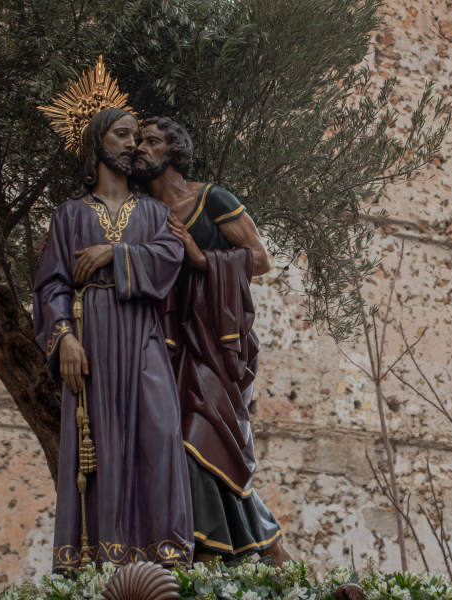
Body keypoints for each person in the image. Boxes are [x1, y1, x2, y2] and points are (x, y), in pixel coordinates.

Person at [34, 108, 193, 573]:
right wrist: (64, 338)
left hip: (142, 333)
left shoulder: (156, 213)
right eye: (122, 135)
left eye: (136, 136)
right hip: (91, 338)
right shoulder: (68, 215)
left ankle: (166, 561)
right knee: (99, 444)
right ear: (97, 143)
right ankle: (103, 563)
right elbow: (51, 285)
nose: (132, 144)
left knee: (160, 432)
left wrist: (114, 252)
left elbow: (170, 257)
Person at [132, 117, 293, 567]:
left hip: (215, 341)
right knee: (181, 446)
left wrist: (201, 258)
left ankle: (209, 559)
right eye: (137, 141)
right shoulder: (139, 211)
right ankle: (250, 556)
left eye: (152, 141)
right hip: (165, 342)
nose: (141, 148)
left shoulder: (211, 198)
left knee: (200, 436)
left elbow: (260, 259)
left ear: (174, 150)